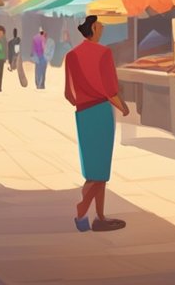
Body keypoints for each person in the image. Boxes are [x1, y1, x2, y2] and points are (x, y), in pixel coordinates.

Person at [64, 15, 129, 233]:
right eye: (100, 26)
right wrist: (123, 107)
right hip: (101, 111)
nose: (101, 29)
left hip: (83, 113)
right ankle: (83, 209)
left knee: (93, 168)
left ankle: (99, 217)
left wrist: (82, 99)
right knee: (100, 169)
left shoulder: (71, 55)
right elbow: (111, 89)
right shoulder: (104, 53)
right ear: (93, 28)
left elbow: (68, 94)